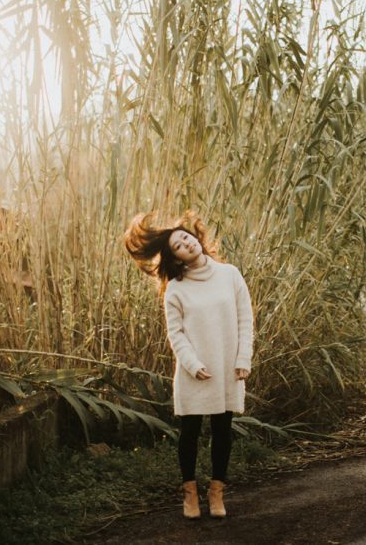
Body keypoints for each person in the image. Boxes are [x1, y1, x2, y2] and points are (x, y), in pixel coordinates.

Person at [124, 211, 254, 519]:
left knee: (223, 429)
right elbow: (176, 334)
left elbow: (245, 318)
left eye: (186, 237)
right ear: (177, 259)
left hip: (227, 365)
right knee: (190, 432)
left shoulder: (230, 274)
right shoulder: (177, 290)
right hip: (194, 371)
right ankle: (190, 494)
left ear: (196, 238)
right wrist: (193, 364)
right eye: (179, 245)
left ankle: (217, 492)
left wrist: (243, 358)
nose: (186, 243)